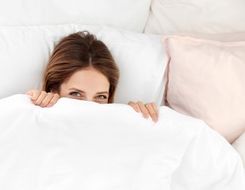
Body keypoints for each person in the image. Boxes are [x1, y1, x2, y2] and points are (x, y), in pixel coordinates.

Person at [26, 31, 159, 122]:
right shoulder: (36, 115)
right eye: (76, 94)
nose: (89, 107)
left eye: (101, 96)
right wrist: (33, 108)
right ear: (54, 90)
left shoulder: (115, 124)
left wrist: (138, 119)